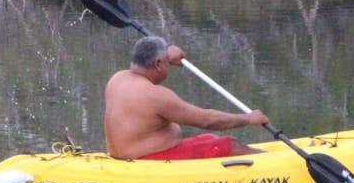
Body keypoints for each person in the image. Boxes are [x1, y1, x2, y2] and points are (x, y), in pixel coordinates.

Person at [104, 35, 267, 160]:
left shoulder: (117, 79)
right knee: (231, 146)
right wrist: (248, 119)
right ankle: (274, 163)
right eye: (167, 62)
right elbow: (207, 120)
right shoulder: (156, 96)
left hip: (124, 156)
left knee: (209, 139)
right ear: (159, 64)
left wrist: (167, 53)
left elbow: (149, 57)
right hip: (150, 161)